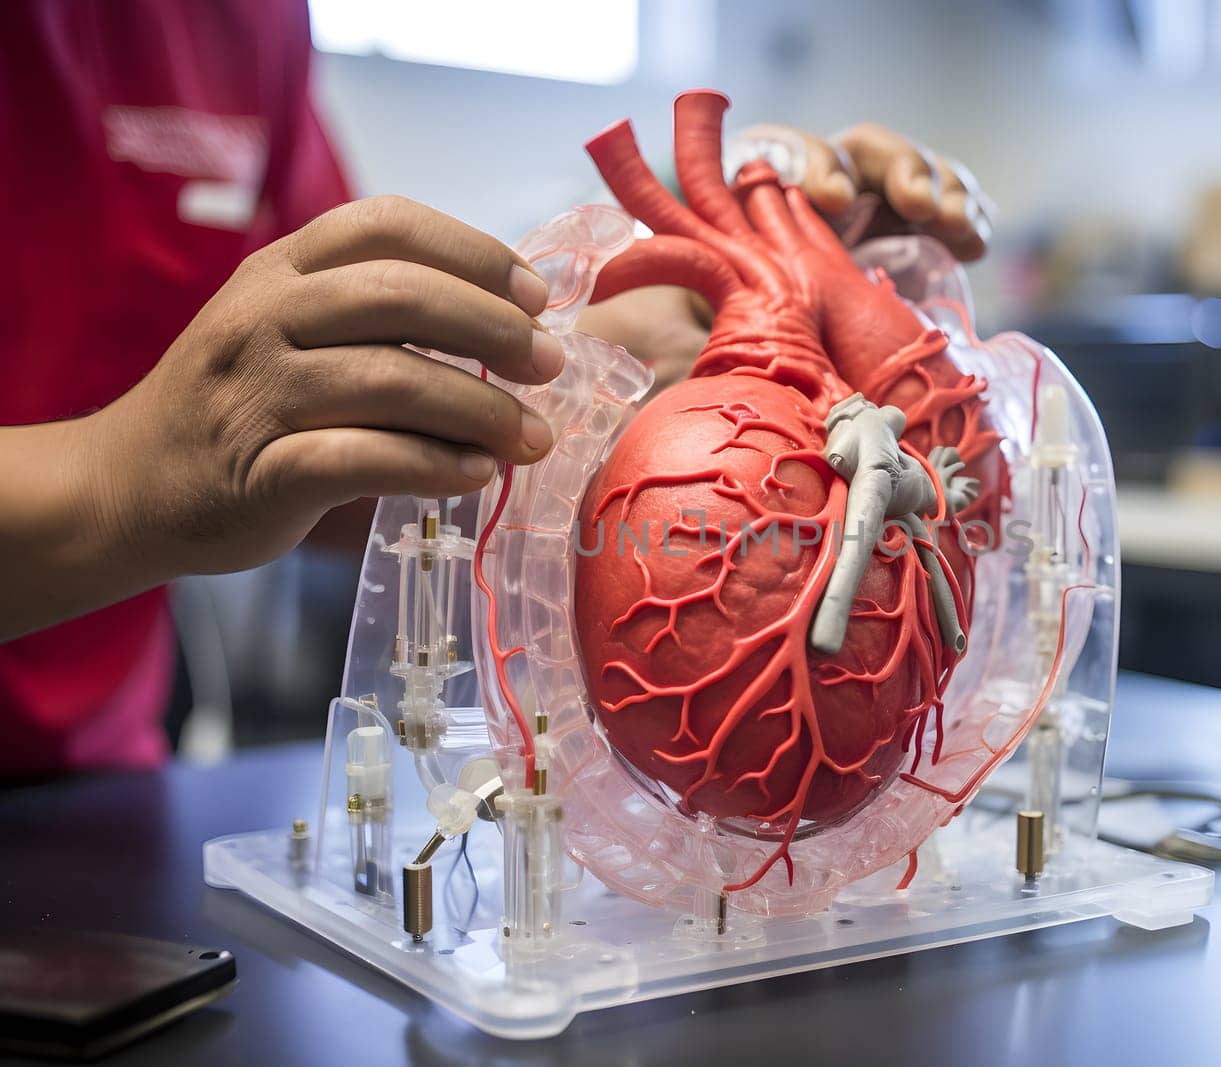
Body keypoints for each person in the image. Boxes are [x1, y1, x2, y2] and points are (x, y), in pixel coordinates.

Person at [0, 0, 991, 777]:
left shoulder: (241, 18)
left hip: (106, 776)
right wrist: (117, 480)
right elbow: (195, 464)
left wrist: (646, 384)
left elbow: (307, 461)